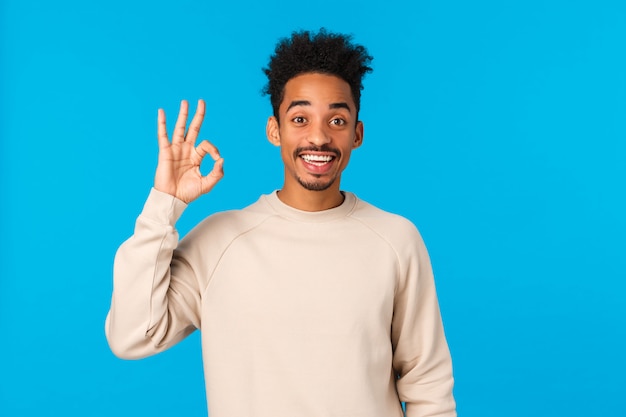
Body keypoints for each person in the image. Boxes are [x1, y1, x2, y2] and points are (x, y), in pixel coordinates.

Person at [105, 29, 456, 417]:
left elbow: (429, 386)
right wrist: (164, 205)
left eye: (337, 119)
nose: (319, 137)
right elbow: (132, 335)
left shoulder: (396, 239)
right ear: (275, 130)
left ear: (357, 133)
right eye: (300, 118)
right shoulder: (220, 241)